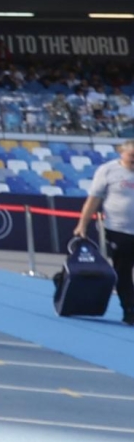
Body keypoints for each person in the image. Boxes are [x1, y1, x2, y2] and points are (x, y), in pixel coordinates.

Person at [74, 139, 134, 325]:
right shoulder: (108, 170)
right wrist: (82, 224)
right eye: (132, 156)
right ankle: (130, 310)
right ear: (122, 153)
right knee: (123, 271)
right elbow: (93, 199)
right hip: (119, 229)